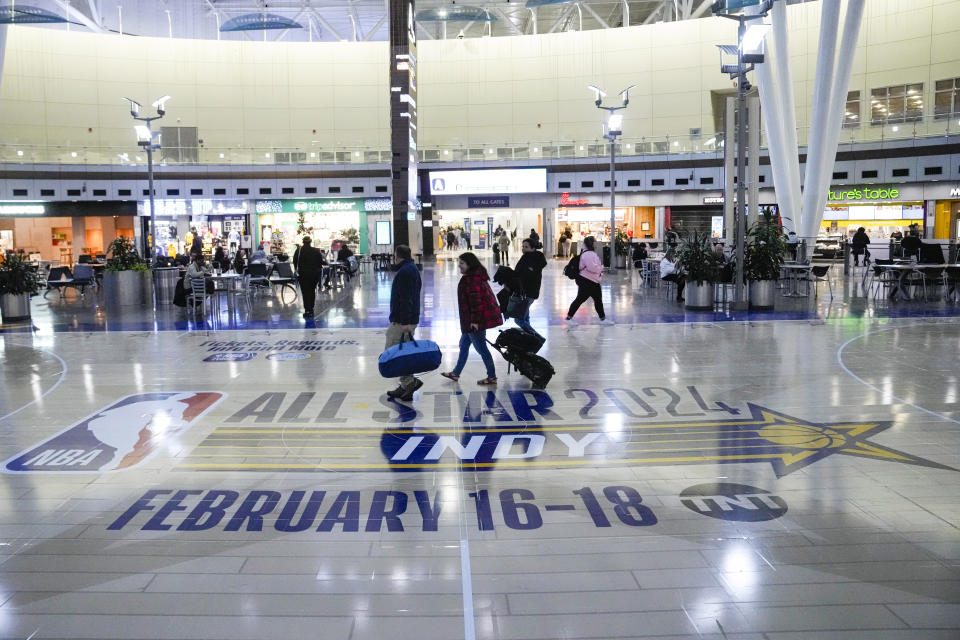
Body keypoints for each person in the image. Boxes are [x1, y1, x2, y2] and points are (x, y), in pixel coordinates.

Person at [441, 252, 503, 385]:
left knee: (481, 349)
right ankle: (456, 373)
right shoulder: (474, 276)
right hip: (471, 320)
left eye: (462, 263)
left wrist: (475, 321)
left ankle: (492, 377)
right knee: (463, 345)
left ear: (470, 264)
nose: (459, 266)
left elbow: (476, 303)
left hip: (475, 322)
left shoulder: (472, 279)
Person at [385, 245, 424, 401]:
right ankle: (404, 385)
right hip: (403, 319)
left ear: (397, 255)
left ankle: (410, 382)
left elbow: (406, 298)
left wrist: (406, 322)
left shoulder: (406, 272)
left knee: (393, 352)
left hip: (402, 322)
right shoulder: (410, 268)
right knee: (401, 352)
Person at [565, 236, 612, 324]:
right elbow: (592, 268)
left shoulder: (589, 253)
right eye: (595, 241)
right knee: (580, 299)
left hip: (592, 281)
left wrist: (599, 269)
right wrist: (601, 268)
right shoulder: (588, 254)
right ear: (591, 243)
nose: (596, 243)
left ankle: (603, 319)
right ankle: (568, 318)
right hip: (587, 281)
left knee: (597, 300)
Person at [513, 238, 547, 335]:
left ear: (533, 248)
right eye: (523, 246)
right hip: (526, 292)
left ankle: (535, 336)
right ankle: (529, 339)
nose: (523, 249)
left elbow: (525, 274)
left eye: (526, 247)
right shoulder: (528, 257)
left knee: (518, 320)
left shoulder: (532, 258)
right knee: (525, 317)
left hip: (527, 293)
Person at [294, 236, 323, 319]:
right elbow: (320, 262)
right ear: (310, 242)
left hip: (303, 274)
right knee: (312, 290)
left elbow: (295, 262)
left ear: (303, 242)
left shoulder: (299, 250)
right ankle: (311, 308)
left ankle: (307, 310)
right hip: (314, 274)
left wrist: (297, 270)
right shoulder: (316, 250)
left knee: (305, 292)